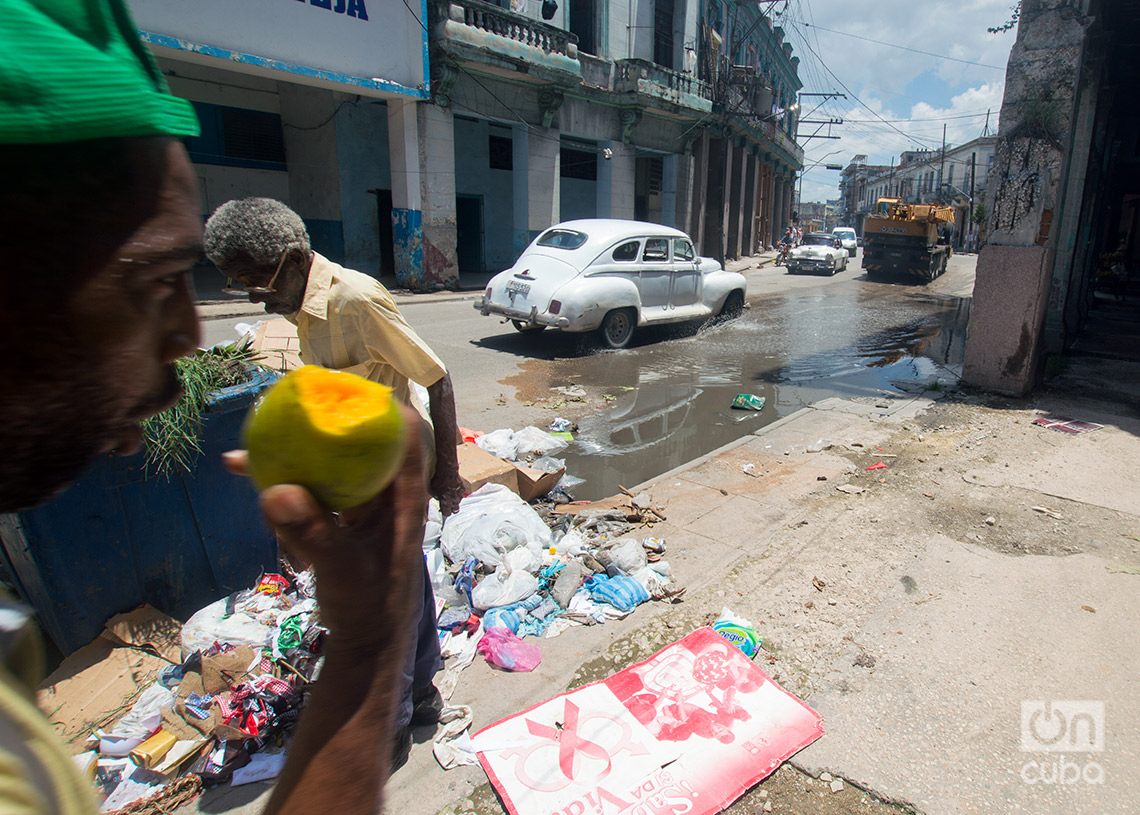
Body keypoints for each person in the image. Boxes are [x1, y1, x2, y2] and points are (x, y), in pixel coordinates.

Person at [0, 1, 423, 812]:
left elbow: (429, 373)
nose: (187, 338)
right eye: (154, 283)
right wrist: (369, 642)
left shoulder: (358, 296)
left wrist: (381, 619)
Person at [203, 198, 463, 768]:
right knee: (406, 584)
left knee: (377, 606)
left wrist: (448, 474)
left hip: (390, 475)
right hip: (354, 472)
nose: (252, 296)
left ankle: (389, 728)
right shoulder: (299, 305)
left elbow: (437, 378)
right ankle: (421, 695)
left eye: (255, 281)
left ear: (294, 260)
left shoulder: (354, 299)